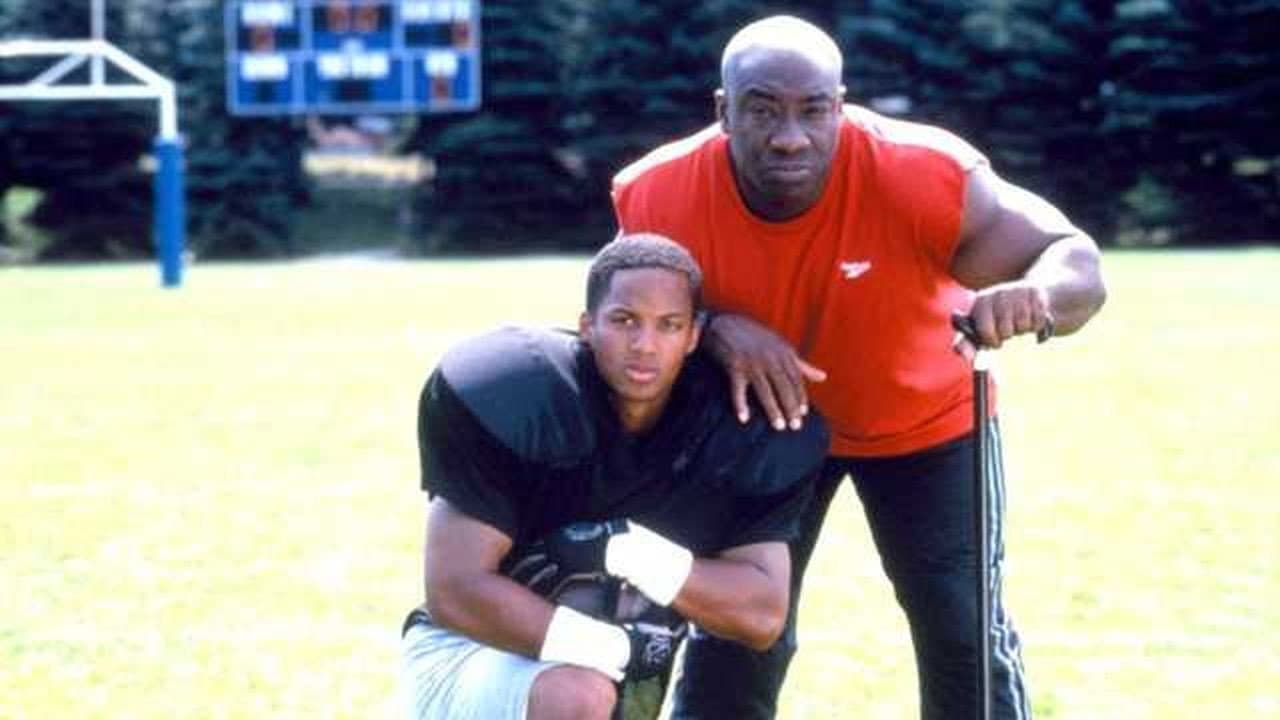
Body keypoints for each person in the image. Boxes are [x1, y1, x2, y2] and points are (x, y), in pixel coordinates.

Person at [611, 15, 1107, 720]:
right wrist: (714, 327)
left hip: (926, 425)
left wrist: (1038, 296)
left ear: (840, 107)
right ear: (723, 111)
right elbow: (621, 325)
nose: (790, 136)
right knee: (738, 633)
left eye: (813, 110)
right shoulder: (658, 193)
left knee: (961, 628)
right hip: (761, 426)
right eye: (762, 110)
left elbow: (1074, 258)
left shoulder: (924, 173)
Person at [399, 233, 829, 720]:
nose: (645, 345)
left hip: (605, 680)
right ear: (588, 326)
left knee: (590, 694)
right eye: (624, 321)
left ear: (693, 337)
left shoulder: (727, 432)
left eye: (669, 325)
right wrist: (611, 649)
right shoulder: (522, 392)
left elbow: (762, 614)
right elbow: (455, 590)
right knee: (580, 696)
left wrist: (632, 552)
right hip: (473, 650)